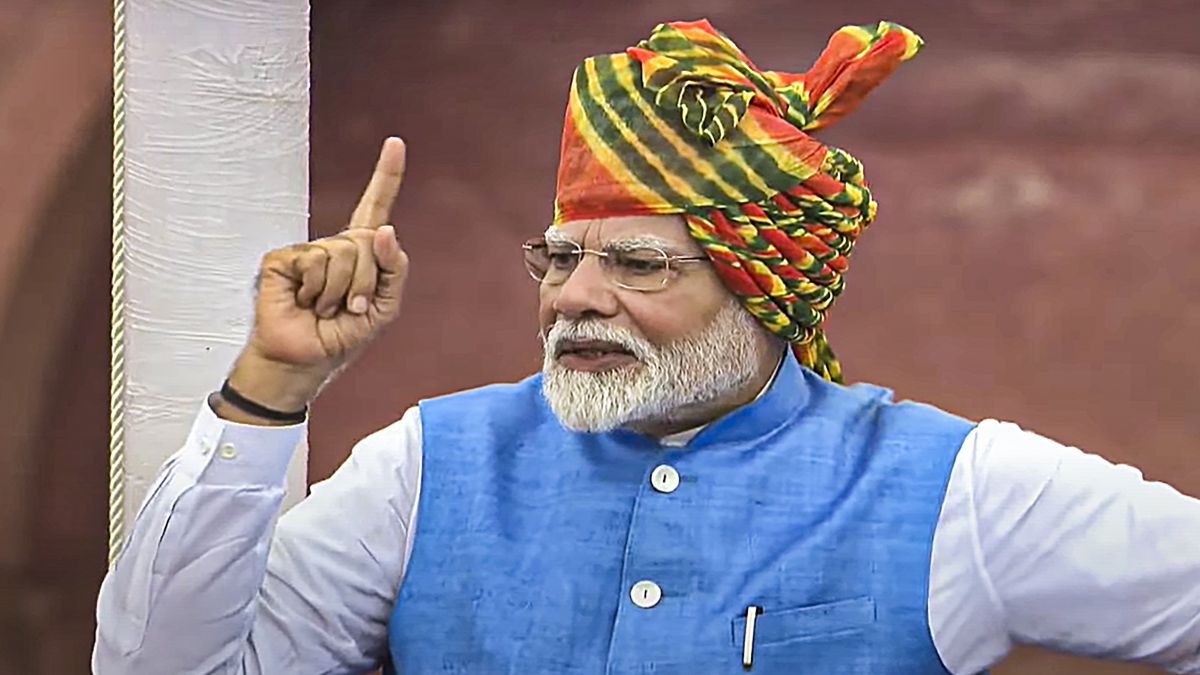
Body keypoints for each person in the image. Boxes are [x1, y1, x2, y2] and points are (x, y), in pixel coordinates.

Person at [93, 19, 1200, 675]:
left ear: (760, 283)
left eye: (636, 264)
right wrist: (273, 386)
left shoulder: (955, 488)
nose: (575, 300)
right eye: (560, 256)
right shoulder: (427, 467)